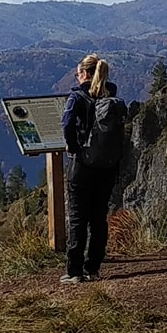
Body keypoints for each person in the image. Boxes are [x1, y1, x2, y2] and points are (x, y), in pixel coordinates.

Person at [60, 54, 124, 283]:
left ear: (85, 74)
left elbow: (66, 124)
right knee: (99, 218)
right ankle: (93, 268)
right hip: (107, 166)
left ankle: (74, 271)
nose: (77, 77)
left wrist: (74, 146)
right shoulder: (112, 96)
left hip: (82, 165)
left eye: (78, 73)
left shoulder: (78, 97)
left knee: (77, 218)